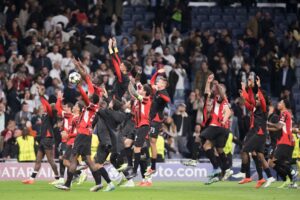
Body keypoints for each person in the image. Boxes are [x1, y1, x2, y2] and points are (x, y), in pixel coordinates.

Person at [55, 60, 112, 192]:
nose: (89, 92)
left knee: (73, 158)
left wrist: (79, 87)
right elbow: (86, 76)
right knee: (88, 160)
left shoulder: (92, 104)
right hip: (87, 134)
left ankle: (67, 184)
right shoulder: (95, 98)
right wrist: (80, 66)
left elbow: (86, 96)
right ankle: (99, 183)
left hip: (82, 133)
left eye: (90, 93)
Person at [239, 76, 275, 188]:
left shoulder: (264, 108)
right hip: (259, 133)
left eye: (258, 98)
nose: (256, 99)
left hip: (258, 133)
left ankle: (245, 174)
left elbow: (260, 100)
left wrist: (257, 87)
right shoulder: (255, 108)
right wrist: (246, 90)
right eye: (256, 98)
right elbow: (248, 102)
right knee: (259, 156)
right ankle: (268, 177)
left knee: (244, 150)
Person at [22, 85, 59, 184]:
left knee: (51, 161)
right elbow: (45, 104)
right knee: (38, 160)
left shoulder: (52, 113)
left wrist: (41, 96)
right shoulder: (47, 113)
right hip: (43, 139)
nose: (46, 106)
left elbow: (46, 104)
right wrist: (41, 95)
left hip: (47, 138)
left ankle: (58, 179)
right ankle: (32, 179)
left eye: (51, 104)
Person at [200, 74, 232, 184]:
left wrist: (217, 85)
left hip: (217, 127)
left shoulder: (222, 98)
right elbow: (206, 93)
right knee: (218, 150)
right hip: (221, 128)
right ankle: (226, 169)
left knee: (202, 139)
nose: (214, 89)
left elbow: (228, 111)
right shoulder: (217, 99)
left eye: (216, 88)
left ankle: (216, 168)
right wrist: (208, 82)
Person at [267, 99, 297, 189]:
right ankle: (292, 183)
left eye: (280, 103)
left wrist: (267, 123)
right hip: (287, 141)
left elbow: (278, 126)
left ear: (284, 105)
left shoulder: (284, 113)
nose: (278, 104)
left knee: (275, 160)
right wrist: (267, 128)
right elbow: (278, 128)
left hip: (285, 141)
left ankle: (292, 170)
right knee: (283, 162)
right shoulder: (284, 114)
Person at [146, 68, 170, 177]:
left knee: (152, 142)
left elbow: (168, 100)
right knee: (148, 141)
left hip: (156, 120)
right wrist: (157, 73)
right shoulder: (157, 91)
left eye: (159, 81)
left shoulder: (163, 92)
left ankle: (153, 167)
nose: (157, 82)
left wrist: (160, 93)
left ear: (163, 84)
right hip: (151, 119)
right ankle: (150, 165)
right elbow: (151, 82)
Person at [126, 81, 152, 180]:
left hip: (144, 125)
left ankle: (135, 170)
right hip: (137, 126)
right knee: (127, 143)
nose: (140, 91)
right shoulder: (139, 101)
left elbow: (134, 92)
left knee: (137, 148)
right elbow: (133, 92)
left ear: (145, 92)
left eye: (142, 90)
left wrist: (129, 82)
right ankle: (131, 165)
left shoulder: (146, 99)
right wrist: (135, 84)